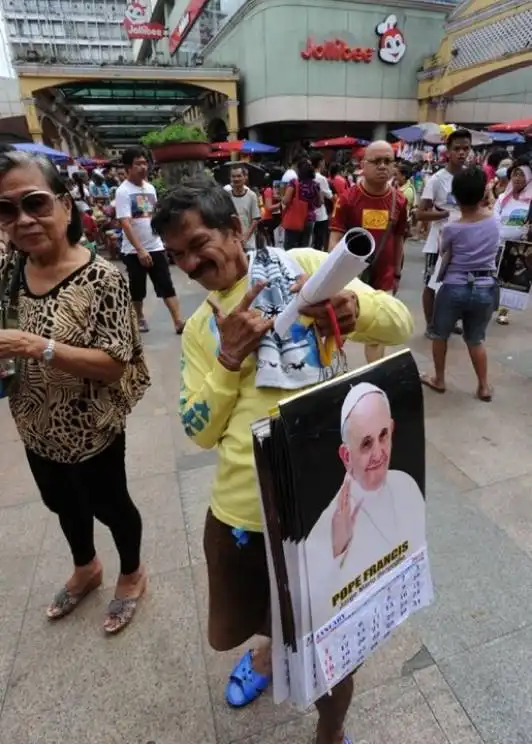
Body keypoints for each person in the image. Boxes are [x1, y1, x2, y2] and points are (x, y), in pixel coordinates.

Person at [150, 176, 413, 744]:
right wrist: (227, 359)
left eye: (199, 245)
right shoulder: (202, 328)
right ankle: (269, 655)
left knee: (333, 640)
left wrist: (353, 307)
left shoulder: (305, 266)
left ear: (237, 227)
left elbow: (401, 321)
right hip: (247, 511)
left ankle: (332, 728)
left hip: (329, 495)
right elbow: (199, 431)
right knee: (267, 614)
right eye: (177, 258)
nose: (191, 264)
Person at [0, 151, 150, 632]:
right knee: (60, 503)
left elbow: (114, 363)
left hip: (91, 428)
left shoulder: (103, 277)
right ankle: (86, 567)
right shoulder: (10, 271)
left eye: (35, 203)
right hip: (34, 421)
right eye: (6, 210)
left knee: (111, 506)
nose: (23, 220)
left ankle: (132, 573)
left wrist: (36, 346)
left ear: (65, 205)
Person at [305, 383, 425, 631]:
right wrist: (338, 551)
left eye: (383, 436)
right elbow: (312, 609)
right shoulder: (331, 523)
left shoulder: (407, 485)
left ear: (392, 430)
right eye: (366, 444)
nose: (379, 453)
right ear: (346, 456)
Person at [421, 166, 499, 402]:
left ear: (455, 196)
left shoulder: (452, 228)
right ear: (481, 193)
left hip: (454, 286)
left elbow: (444, 250)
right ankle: (484, 386)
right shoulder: (494, 221)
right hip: (485, 286)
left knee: (439, 334)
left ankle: (439, 379)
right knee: (476, 338)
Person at [329, 141, 408, 365]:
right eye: (376, 161)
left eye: (388, 161)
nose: (383, 166)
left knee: (377, 331)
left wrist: (397, 272)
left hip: (384, 276)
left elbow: (399, 238)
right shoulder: (347, 199)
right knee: (341, 327)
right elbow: (334, 240)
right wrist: (334, 277)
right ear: (363, 165)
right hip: (351, 277)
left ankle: (374, 374)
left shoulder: (400, 201)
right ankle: (332, 370)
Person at [115, 146, 185, 334]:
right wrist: (140, 250)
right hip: (133, 251)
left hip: (155, 246)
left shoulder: (150, 188)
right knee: (137, 288)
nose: (143, 167)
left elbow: (154, 217)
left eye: (145, 163)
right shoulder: (123, 191)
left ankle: (178, 321)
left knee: (166, 284)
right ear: (128, 168)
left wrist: (164, 240)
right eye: (138, 164)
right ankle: (139, 317)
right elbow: (125, 223)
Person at [417, 128, 472, 337]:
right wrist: (443, 216)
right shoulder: (437, 179)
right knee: (431, 284)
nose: (461, 153)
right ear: (447, 151)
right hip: (437, 243)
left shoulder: (470, 177)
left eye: (465, 148)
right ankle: (431, 325)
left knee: (456, 284)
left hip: (464, 241)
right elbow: (420, 214)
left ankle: (449, 321)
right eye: (457, 148)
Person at [492, 157, 532, 325]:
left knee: (509, 281)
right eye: (515, 174)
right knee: (492, 278)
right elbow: (495, 218)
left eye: (522, 175)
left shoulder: (530, 202)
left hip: (518, 249)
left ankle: (503, 311)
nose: (517, 178)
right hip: (498, 244)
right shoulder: (502, 199)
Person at [281, 157, 322, 251]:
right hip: (309, 220)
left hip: (295, 218)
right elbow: (319, 203)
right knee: (304, 249)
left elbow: (286, 201)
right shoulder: (315, 185)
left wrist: (283, 198)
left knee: (290, 248)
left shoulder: (294, 183)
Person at [224, 165, 261, 250]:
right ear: (230, 178)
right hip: (232, 242)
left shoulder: (252, 195)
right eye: (233, 176)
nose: (236, 179)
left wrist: (245, 237)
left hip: (248, 244)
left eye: (239, 176)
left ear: (245, 177)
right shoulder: (227, 196)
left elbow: (255, 219)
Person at [311, 151, 333, 251]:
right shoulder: (321, 178)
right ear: (320, 163)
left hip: (309, 213)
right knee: (319, 242)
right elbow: (329, 195)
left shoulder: (306, 176)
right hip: (320, 214)